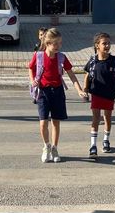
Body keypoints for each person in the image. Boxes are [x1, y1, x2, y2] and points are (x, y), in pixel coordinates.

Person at [29, 28, 87, 163]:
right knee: (43, 122)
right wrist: (32, 81)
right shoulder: (38, 56)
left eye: (60, 43)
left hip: (58, 91)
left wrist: (79, 90)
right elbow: (31, 68)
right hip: (43, 92)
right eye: (55, 43)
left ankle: (55, 148)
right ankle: (46, 146)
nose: (58, 46)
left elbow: (71, 74)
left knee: (56, 121)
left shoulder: (61, 57)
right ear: (48, 43)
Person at [83, 32, 115, 158]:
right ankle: (93, 145)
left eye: (108, 43)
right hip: (96, 93)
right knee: (95, 118)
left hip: (109, 93)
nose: (107, 46)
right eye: (104, 43)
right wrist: (85, 89)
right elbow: (87, 76)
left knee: (107, 117)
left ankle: (106, 140)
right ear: (97, 45)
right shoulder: (93, 61)